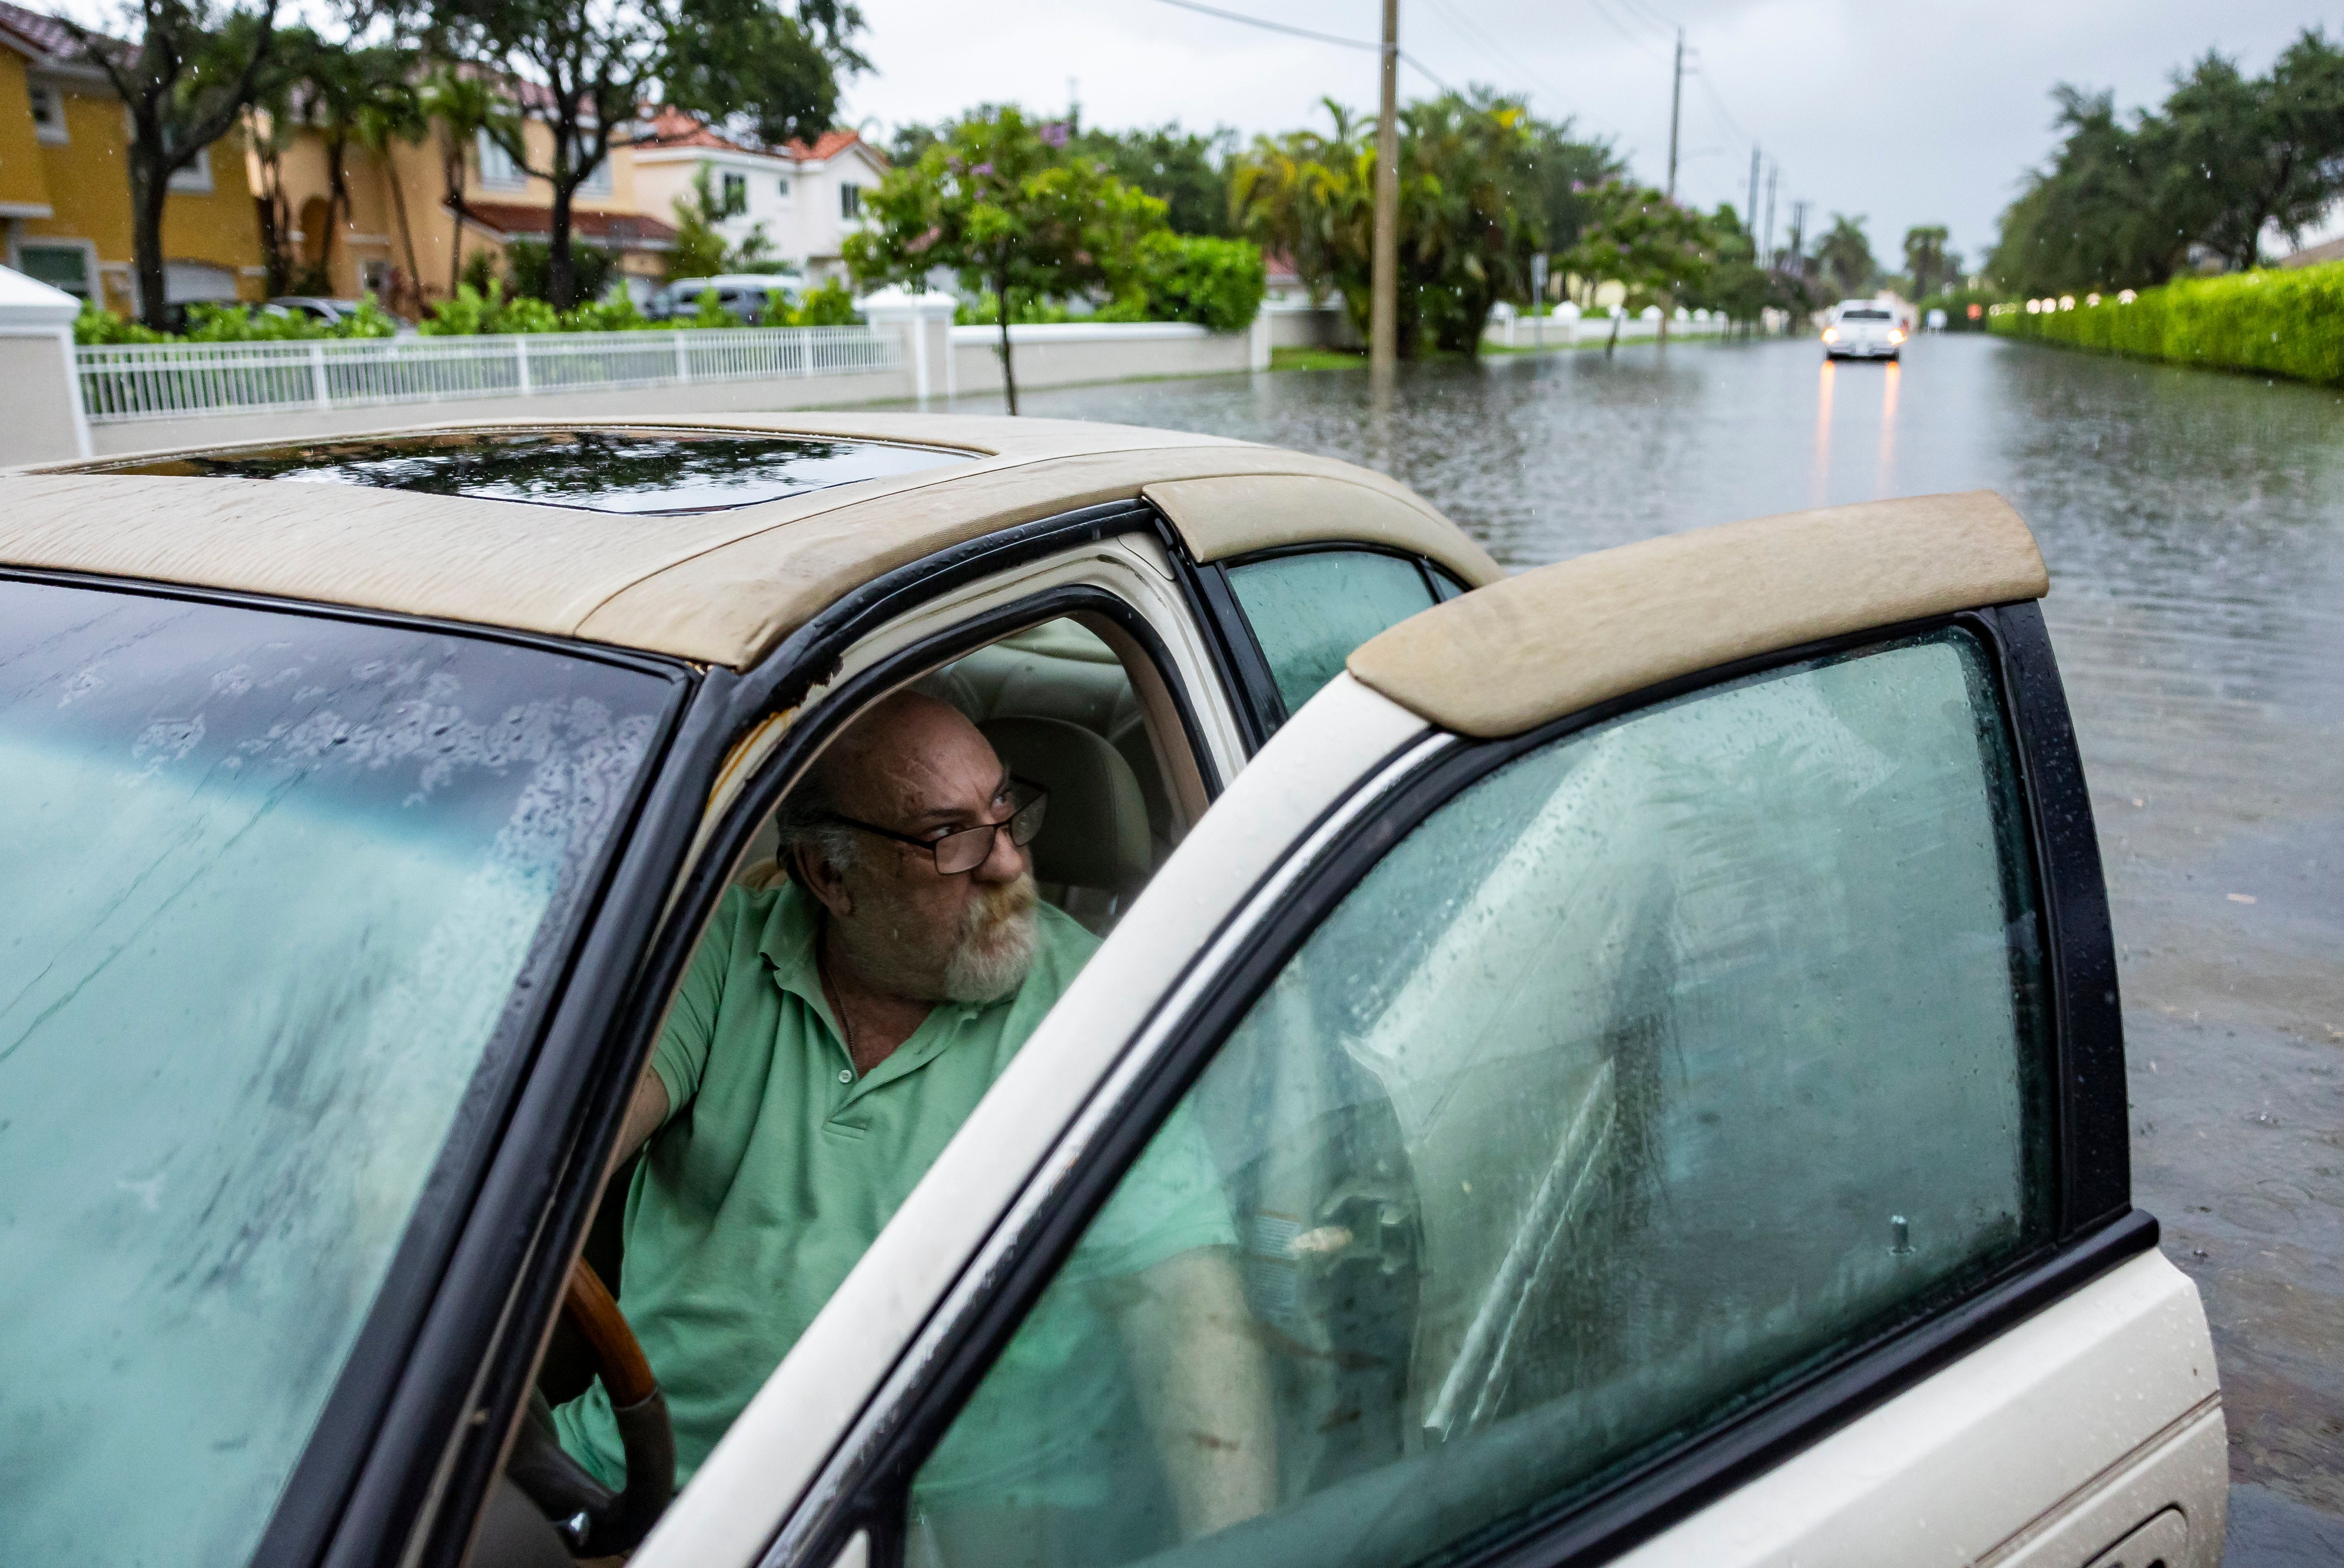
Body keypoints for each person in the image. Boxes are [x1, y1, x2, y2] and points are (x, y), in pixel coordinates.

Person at [554, 690, 1274, 1541]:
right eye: (950, 837)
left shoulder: (1092, 1006)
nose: (1006, 862)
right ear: (830, 877)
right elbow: (551, 1161)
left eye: (1005, 811)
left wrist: (1242, 1548)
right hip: (632, 1482)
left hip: (901, 1528)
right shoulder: (725, 949)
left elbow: (1186, 1309)